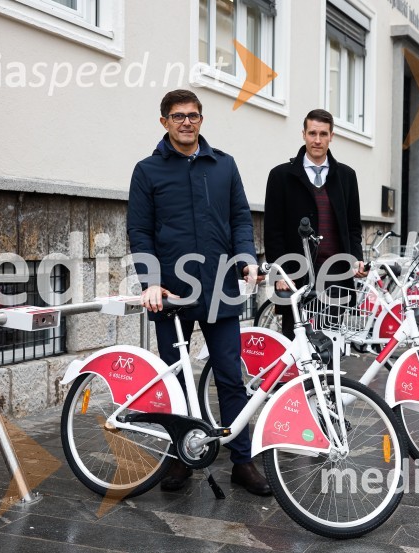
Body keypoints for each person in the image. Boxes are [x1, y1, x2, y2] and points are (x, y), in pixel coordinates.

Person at [127, 89, 271, 496]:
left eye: (192, 115)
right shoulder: (147, 171)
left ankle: (242, 461)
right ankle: (179, 458)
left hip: (221, 288)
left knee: (229, 377)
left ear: (201, 119)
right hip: (171, 294)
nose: (186, 122)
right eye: (177, 116)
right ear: (164, 122)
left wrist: (246, 257)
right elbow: (139, 231)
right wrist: (150, 280)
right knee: (174, 380)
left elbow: (241, 219)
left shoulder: (223, 166)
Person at [264, 109, 366, 339]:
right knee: (297, 344)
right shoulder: (281, 176)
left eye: (323, 134)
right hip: (297, 274)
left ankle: (328, 377)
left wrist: (356, 258)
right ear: (303, 134)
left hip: (336, 273)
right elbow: (273, 230)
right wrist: (279, 273)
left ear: (332, 136)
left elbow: (353, 226)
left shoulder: (347, 176)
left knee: (330, 346)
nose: (317, 140)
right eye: (312, 133)